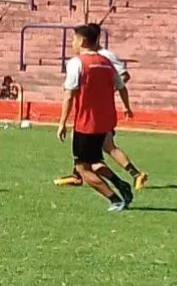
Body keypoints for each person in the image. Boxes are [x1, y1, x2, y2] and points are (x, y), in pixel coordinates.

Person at [53, 23, 150, 190]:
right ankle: (80, 174)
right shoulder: (97, 58)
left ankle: (126, 180)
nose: (73, 43)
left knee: (105, 148)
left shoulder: (105, 57)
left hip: (97, 115)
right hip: (97, 114)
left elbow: (123, 77)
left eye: (75, 39)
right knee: (97, 151)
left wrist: (103, 92)